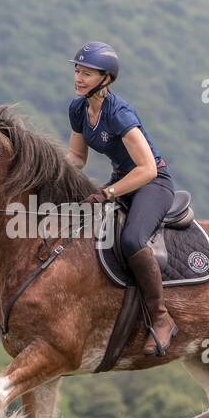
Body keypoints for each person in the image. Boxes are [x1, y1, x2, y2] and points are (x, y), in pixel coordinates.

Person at [64, 41, 178, 356]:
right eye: (76, 70)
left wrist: (107, 193)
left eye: (86, 73)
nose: (78, 77)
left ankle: (161, 317)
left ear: (106, 78)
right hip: (121, 182)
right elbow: (76, 157)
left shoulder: (119, 113)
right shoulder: (78, 108)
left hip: (152, 184)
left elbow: (148, 168)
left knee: (131, 240)